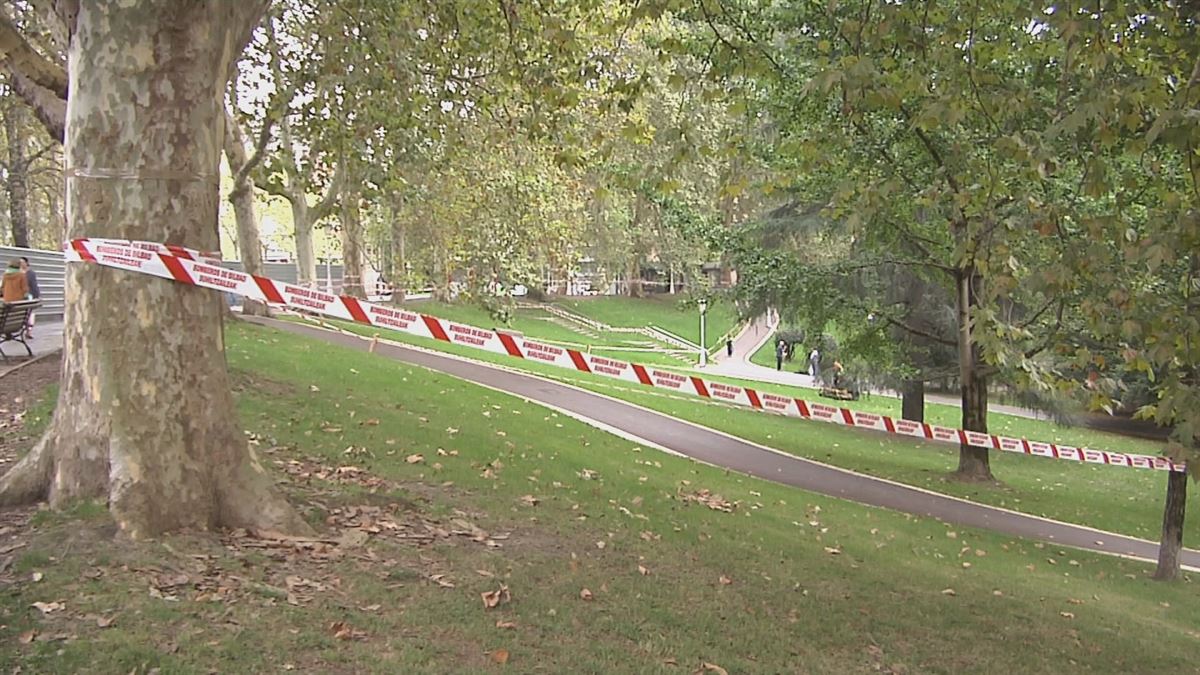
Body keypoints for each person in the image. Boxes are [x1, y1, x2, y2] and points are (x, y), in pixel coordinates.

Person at [19, 257, 38, 338]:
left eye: (23, 262)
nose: (21, 264)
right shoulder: (17, 273)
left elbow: (34, 285)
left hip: (29, 295)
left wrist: (36, 295)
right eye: (20, 262)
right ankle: (25, 329)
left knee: (30, 313)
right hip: (19, 296)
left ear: (27, 263)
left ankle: (29, 331)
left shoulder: (31, 273)